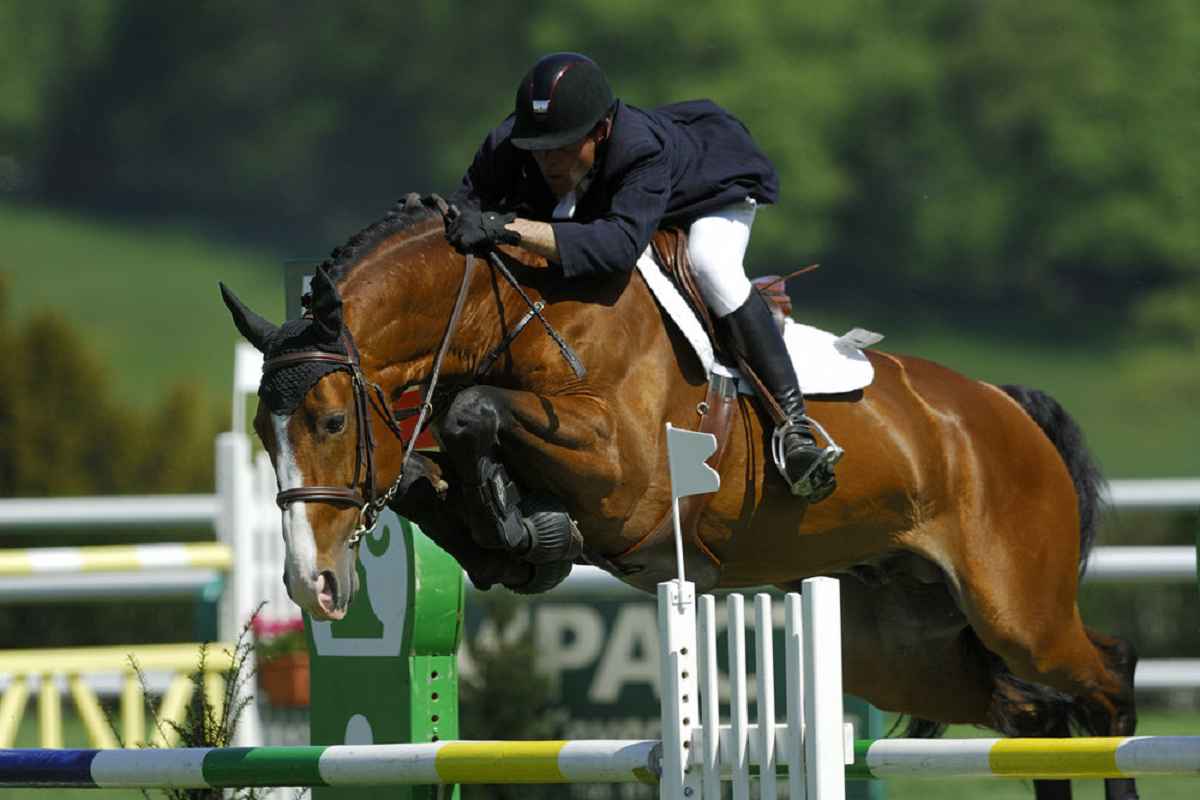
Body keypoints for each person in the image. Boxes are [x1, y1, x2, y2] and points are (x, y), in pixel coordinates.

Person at [447, 51, 839, 505]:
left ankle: (795, 429)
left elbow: (616, 248)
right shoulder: (513, 142)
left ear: (600, 131)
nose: (547, 161)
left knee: (712, 266)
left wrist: (508, 227)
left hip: (710, 188)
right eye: (538, 147)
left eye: (562, 147)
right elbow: (463, 211)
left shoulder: (639, 150)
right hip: (620, 196)